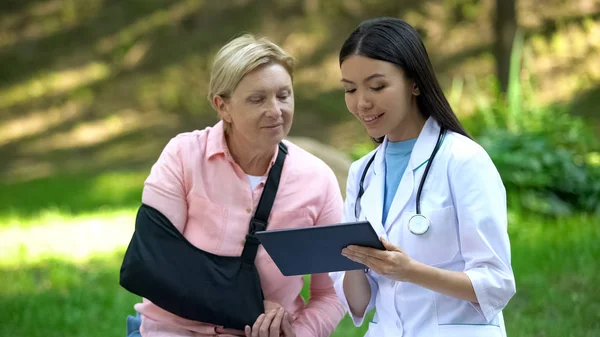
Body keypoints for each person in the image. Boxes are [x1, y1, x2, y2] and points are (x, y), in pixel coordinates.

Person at [126, 34, 346, 337]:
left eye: (284, 95)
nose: (275, 110)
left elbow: (332, 292)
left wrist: (298, 333)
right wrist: (249, 307)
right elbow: (153, 263)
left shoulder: (317, 180)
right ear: (222, 106)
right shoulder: (184, 157)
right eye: (257, 99)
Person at [329, 17, 516, 337]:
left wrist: (412, 272)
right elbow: (359, 304)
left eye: (377, 86)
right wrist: (352, 258)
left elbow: (497, 284)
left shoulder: (463, 161)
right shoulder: (362, 174)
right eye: (350, 89)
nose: (362, 103)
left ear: (414, 83)